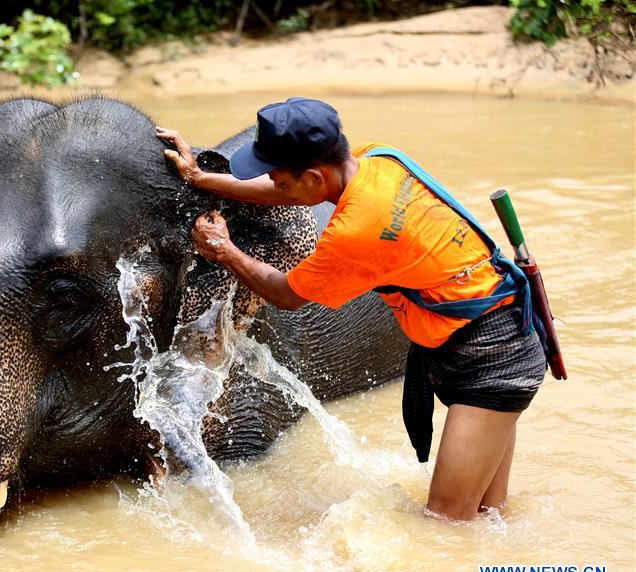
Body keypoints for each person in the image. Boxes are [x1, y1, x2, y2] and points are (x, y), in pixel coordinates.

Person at [155, 97, 546, 521]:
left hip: (490, 358)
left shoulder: (355, 232)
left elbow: (287, 294)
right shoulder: (378, 159)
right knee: (489, 517)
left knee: (446, 525)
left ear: (312, 176)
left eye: (280, 179)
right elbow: (286, 194)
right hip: (490, 330)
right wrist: (202, 178)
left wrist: (226, 251)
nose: (276, 186)